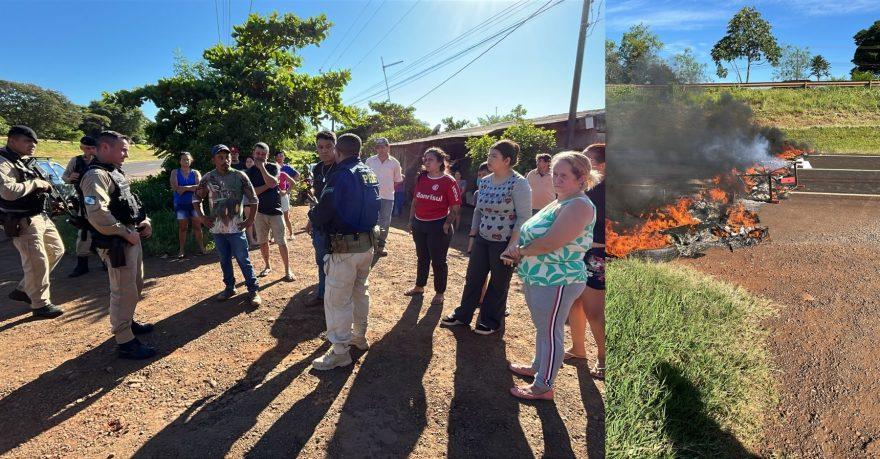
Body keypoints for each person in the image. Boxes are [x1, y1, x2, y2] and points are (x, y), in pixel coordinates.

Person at [506, 150, 600, 400]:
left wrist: (519, 251)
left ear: (581, 178)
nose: (556, 179)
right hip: (542, 277)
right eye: (554, 174)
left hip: (558, 279)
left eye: (564, 175)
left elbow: (551, 243)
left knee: (550, 331)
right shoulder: (562, 200)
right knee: (544, 328)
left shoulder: (579, 204)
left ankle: (544, 385)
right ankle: (539, 367)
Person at [441, 139, 531, 335]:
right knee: (473, 278)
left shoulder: (519, 183)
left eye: (494, 156)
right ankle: (463, 315)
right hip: (483, 237)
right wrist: (473, 237)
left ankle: (490, 320)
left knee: (498, 282)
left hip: (505, 242)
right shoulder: (485, 181)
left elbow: (524, 216)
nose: (489, 159)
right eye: (489, 155)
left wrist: (513, 244)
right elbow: (478, 211)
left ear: (507, 160)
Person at [81, 130, 156, 359]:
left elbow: (129, 203)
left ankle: (128, 321)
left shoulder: (115, 172)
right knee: (122, 290)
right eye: (122, 149)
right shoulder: (95, 176)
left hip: (130, 236)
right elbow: (98, 214)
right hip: (116, 242)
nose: (126, 154)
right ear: (105, 148)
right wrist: (125, 233)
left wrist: (143, 221)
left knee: (134, 284)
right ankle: (125, 341)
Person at [308, 133, 380, 370]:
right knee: (361, 291)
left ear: (338, 151)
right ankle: (359, 337)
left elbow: (325, 211)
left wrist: (312, 215)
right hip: (367, 246)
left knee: (337, 300)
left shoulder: (340, 174)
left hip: (344, 248)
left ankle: (340, 352)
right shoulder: (368, 172)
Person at [0, 125, 65, 318]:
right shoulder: (3, 162)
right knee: (36, 261)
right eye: (27, 141)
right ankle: (40, 304)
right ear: (12, 141)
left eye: (34, 142)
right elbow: (8, 192)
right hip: (21, 219)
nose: (33, 145)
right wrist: (36, 184)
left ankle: (24, 289)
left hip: (40, 215)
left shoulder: (25, 160)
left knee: (56, 250)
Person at [193, 144, 262, 306]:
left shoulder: (240, 176)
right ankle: (230, 287)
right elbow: (196, 199)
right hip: (217, 229)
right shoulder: (208, 178)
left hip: (236, 228)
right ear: (214, 160)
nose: (225, 160)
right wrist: (202, 217)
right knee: (224, 260)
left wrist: (250, 219)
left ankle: (253, 290)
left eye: (227, 157)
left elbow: (253, 199)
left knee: (243, 259)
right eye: (221, 157)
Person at [565, 144, 606, 380]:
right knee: (575, 302)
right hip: (577, 253)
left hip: (596, 256)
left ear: (602, 165)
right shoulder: (585, 188)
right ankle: (578, 349)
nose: (583, 165)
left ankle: (604, 358)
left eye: (588, 161)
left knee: (594, 311)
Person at [404, 148, 461, 306]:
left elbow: (455, 206)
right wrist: (411, 220)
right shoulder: (422, 178)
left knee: (438, 261)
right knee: (422, 258)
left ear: (440, 162)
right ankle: (419, 286)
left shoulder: (449, 181)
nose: (426, 162)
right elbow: (416, 200)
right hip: (419, 224)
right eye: (425, 159)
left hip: (439, 226)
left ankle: (439, 292)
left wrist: (447, 224)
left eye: (430, 159)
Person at [247, 143, 294, 281]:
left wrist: (262, 169)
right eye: (258, 153)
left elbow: (273, 183)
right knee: (262, 241)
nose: (260, 156)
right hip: (259, 212)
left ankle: (287, 270)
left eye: (263, 154)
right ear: (254, 153)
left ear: (267, 155)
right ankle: (267, 266)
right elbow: (252, 192)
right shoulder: (249, 172)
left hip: (275, 211)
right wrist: (267, 185)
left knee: (281, 242)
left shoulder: (274, 167)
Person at [304, 130, 337, 307]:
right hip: (319, 223)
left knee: (337, 263)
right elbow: (316, 199)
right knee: (321, 259)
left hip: (338, 225)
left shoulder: (341, 168)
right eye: (320, 147)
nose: (324, 151)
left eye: (328, 147)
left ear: (335, 146)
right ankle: (322, 294)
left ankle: (335, 298)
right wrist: (311, 220)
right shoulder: (317, 168)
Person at [62, 135, 102, 277]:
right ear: (82, 148)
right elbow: (65, 177)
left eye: (92, 148)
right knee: (84, 233)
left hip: (102, 201)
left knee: (104, 229)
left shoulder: (102, 160)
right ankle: (82, 265)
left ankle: (106, 261)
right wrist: (69, 178)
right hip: (84, 202)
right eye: (87, 148)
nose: (90, 150)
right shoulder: (76, 161)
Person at [364, 137, 402, 257]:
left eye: (383, 146)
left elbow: (397, 181)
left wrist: (387, 188)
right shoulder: (370, 161)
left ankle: (380, 246)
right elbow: (364, 178)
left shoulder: (395, 163)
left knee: (385, 222)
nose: (380, 149)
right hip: (371, 196)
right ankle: (369, 245)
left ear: (388, 147)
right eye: (378, 147)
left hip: (388, 197)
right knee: (370, 219)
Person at [170, 152, 205, 258]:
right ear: (180, 161)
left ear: (191, 161)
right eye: (184, 159)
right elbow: (176, 187)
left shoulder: (195, 173)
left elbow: (199, 187)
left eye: (188, 159)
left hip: (195, 204)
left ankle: (202, 248)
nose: (186, 161)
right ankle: (181, 250)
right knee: (183, 228)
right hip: (181, 204)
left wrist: (184, 188)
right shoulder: (175, 172)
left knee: (197, 226)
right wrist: (191, 188)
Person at [275, 150, 300, 241]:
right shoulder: (272, 171)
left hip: (284, 194)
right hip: (274, 197)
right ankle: (274, 236)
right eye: (279, 155)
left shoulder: (284, 171)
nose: (281, 157)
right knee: (275, 216)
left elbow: (296, 177)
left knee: (286, 215)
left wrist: (287, 189)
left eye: (282, 155)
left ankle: (291, 233)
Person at [243, 156, 257, 245]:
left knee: (257, 220)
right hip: (246, 199)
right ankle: (251, 240)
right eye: (247, 161)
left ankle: (258, 237)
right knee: (249, 220)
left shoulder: (258, 172)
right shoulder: (242, 173)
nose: (249, 163)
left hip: (257, 199)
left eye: (250, 161)